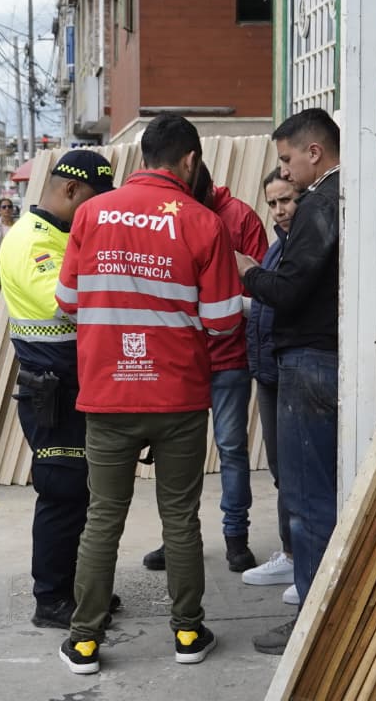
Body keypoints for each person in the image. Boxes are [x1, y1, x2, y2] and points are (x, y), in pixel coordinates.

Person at [56, 113, 243, 674]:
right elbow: (223, 320)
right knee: (180, 519)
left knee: (102, 517)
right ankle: (187, 633)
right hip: (178, 398)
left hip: (108, 395)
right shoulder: (203, 222)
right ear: (190, 160)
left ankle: (84, 641)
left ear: (142, 157)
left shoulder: (90, 214)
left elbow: (67, 301)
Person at [0, 150, 120, 631]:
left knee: (83, 494)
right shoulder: (30, 241)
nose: (98, 211)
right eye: (94, 200)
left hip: (73, 388)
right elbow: (65, 302)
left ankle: (78, 588)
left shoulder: (60, 235)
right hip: (52, 392)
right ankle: (50, 599)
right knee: (61, 492)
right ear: (70, 189)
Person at [236, 108, 341, 655]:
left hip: (310, 362)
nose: (284, 171)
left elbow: (291, 290)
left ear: (314, 153)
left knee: (306, 501)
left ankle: (312, 622)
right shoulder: (346, 196)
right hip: (327, 358)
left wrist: (248, 273)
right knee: (317, 494)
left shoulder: (320, 203)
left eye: (286, 159)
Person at [141, 162, 269, 574]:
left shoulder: (240, 217)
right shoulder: (169, 213)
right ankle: (177, 539)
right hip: (181, 358)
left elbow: (263, 283)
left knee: (231, 449)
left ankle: (236, 538)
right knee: (176, 453)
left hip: (227, 357)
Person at [241, 170, 301, 605]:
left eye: (287, 200)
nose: (279, 211)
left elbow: (287, 298)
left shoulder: (304, 244)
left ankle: (307, 559)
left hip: (291, 369)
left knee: (301, 472)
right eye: (273, 204)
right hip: (269, 371)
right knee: (282, 470)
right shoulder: (278, 245)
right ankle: (291, 553)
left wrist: (249, 275)